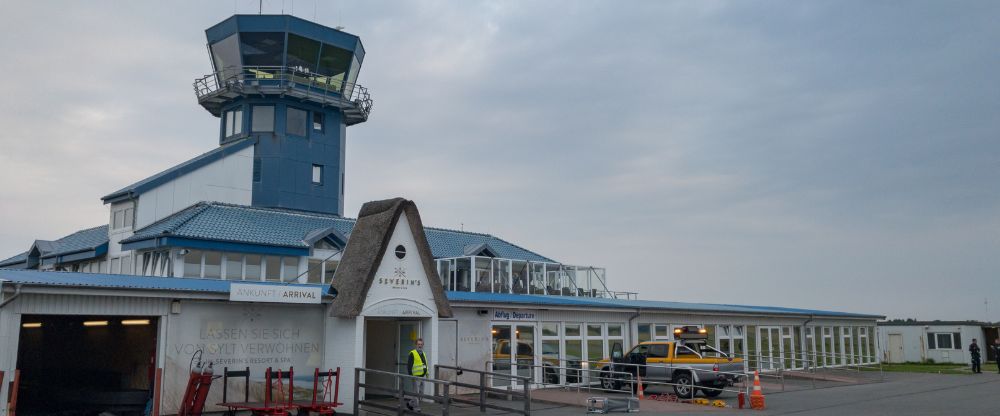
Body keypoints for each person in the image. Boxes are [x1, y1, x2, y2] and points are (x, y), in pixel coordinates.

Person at [406, 338, 428, 411]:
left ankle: (410, 404)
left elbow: (425, 364)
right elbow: (409, 365)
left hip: (422, 376)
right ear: (416, 345)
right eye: (418, 344)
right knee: (416, 393)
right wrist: (411, 375)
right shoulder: (412, 353)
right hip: (415, 376)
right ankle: (416, 408)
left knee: (421, 393)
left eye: (421, 344)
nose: (420, 346)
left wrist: (427, 373)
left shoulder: (423, 353)